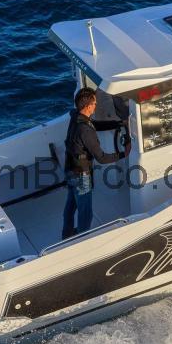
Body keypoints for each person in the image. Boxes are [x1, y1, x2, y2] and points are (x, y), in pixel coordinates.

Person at [62, 87, 130, 239]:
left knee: (70, 207)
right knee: (86, 214)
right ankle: (82, 241)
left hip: (70, 170)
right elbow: (102, 158)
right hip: (81, 176)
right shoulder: (85, 130)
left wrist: (119, 123)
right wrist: (123, 154)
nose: (96, 105)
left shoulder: (76, 116)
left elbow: (95, 125)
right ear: (87, 106)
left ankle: (66, 235)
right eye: (94, 103)